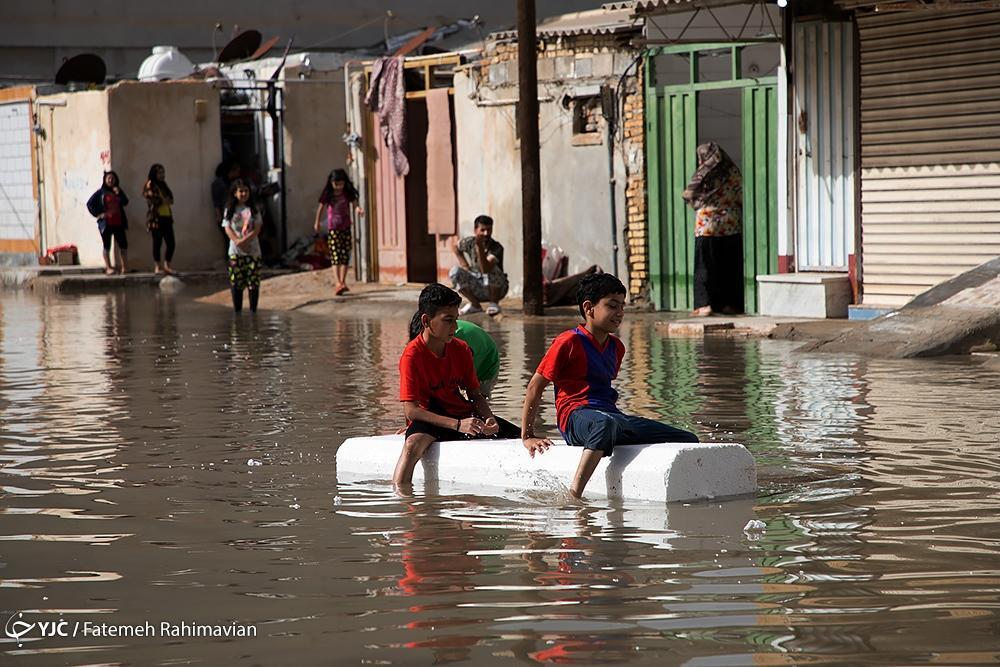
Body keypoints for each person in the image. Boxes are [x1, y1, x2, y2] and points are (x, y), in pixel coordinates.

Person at [520, 273, 699, 498]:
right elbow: (535, 387)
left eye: (622, 306)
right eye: (612, 306)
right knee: (604, 425)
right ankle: (573, 495)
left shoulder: (617, 347)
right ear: (589, 308)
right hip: (576, 418)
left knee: (687, 439)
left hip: (612, 417)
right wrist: (527, 435)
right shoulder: (568, 342)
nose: (620, 313)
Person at [395, 283, 520, 488]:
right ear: (426, 321)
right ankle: (403, 500)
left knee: (520, 436)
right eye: (448, 320)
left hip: (461, 414)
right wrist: (457, 425)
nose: (454, 327)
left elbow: (474, 394)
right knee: (411, 446)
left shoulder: (461, 349)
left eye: (456, 320)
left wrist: (489, 419)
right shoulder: (412, 355)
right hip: (431, 420)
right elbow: (411, 410)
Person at [681, 142, 744, 317]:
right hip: (731, 224)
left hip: (706, 226)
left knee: (705, 266)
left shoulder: (703, 173)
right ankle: (730, 305)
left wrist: (700, 205)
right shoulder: (732, 171)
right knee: (729, 267)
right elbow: (741, 195)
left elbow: (688, 194)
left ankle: (704, 306)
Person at [408, 316, 501, 399]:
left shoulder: (454, 343)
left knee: (477, 397)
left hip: (487, 363)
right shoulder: (434, 336)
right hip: (477, 343)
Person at [313, 168, 363, 296]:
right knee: (335, 256)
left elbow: (355, 204)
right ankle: (337, 282)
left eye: (341, 184)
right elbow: (320, 208)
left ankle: (342, 281)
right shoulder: (328, 195)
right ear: (331, 183)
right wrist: (317, 222)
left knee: (345, 254)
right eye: (336, 184)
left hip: (345, 227)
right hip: (333, 229)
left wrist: (358, 210)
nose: (339, 187)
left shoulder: (347, 193)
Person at [449, 215, 509, 316]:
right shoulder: (469, 242)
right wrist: (465, 266)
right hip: (478, 285)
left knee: (493, 268)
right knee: (455, 272)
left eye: (489, 230)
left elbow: (485, 269)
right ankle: (475, 304)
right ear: (475, 230)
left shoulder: (496, 247)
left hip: (496, 289)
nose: (486, 233)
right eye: (482, 230)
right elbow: (455, 246)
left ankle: (494, 304)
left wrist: (480, 248)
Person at [221, 179, 263, 313]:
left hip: (253, 251)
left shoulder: (254, 209)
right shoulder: (229, 210)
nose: (244, 194)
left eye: (246, 191)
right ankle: (237, 313)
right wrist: (237, 241)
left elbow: (257, 228)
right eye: (241, 191)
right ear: (235, 193)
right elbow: (227, 227)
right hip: (235, 251)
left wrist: (245, 240)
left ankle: (253, 311)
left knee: (253, 283)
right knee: (236, 283)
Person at [86, 171, 129, 275]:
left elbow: (126, 202)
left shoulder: (117, 191)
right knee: (107, 245)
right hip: (107, 223)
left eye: (113, 178)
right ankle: (108, 267)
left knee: (123, 245)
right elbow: (90, 204)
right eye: (109, 178)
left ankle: (124, 267)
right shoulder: (101, 192)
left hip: (118, 222)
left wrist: (119, 193)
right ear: (105, 180)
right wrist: (99, 214)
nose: (111, 180)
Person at [142, 163, 176, 274]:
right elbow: (150, 198)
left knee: (171, 242)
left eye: (163, 173)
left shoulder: (163, 185)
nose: (162, 175)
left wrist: (166, 200)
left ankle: (167, 265)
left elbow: (171, 199)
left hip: (167, 216)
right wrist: (162, 201)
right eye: (160, 173)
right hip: (156, 218)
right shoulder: (150, 184)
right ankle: (158, 266)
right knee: (157, 242)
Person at [212, 160, 241, 256]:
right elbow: (216, 201)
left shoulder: (233, 183)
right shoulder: (219, 184)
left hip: (235, 213)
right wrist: (218, 215)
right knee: (229, 239)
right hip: (226, 214)